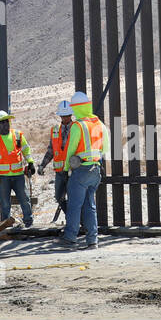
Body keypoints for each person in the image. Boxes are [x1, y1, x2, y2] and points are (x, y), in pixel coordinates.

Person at [59, 91, 109, 249]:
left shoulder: (78, 125)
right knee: (90, 205)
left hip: (81, 170)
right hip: (95, 170)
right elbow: (105, 147)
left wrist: (65, 168)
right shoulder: (99, 124)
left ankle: (70, 238)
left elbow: (70, 150)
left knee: (74, 205)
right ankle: (92, 240)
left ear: (76, 108)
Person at [0, 109, 35, 227]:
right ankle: (5, 225)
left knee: (25, 199)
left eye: (6, 121)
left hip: (18, 176)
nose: (5, 124)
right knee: (5, 203)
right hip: (2, 178)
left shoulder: (17, 135)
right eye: (2, 122)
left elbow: (26, 150)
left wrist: (31, 162)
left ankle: (29, 223)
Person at [41, 100, 73, 221]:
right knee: (59, 196)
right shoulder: (55, 130)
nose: (65, 118)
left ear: (71, 115)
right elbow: (51, 151)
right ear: (60, 116)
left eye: (67, 116)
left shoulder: (76, 128)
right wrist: (42, 165)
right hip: (60, 172)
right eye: (63, 116)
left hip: (72, 171)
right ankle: (72, 217)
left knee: (74, 198)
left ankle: (75, 221)